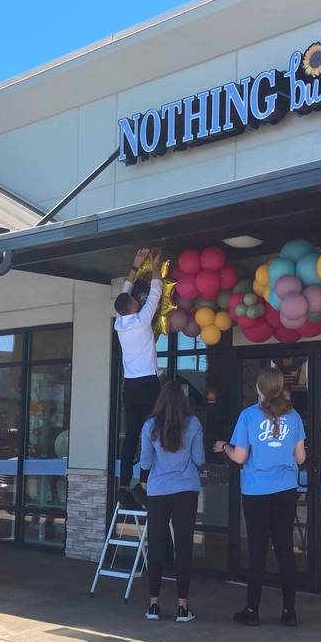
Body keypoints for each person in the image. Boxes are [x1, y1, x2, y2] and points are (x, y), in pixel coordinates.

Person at [215, 367, 306, 627]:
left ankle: (252, 611)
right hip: (286, 489)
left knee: (257, 550)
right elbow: (301, 457)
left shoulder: (248, 416)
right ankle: (290, 612)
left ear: (259, 388)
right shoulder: (294, 416)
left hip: (256, 491)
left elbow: (240, 457)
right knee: (285, 549)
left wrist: (224, 447)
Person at [139, 380, 204, 622]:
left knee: (156, 546)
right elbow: (199, 459)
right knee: (183, 546)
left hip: (157, 491)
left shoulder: (149, 426)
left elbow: (145, 463)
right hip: (186, 488)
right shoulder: (194, 423)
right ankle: (182, 607)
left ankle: (153, 605)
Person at [114, 246, 163, 508]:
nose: (137, 300)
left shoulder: (119, 323)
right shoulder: (142, 320)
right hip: (147, 384)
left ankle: (124, 484)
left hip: (129, 386)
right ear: (132, 307)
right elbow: (155, 293)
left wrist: (136, 264)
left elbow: (125, 290)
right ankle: (144, 482)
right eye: (135, 300)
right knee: (151, 430)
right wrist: (155, 265)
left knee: (132, 434)